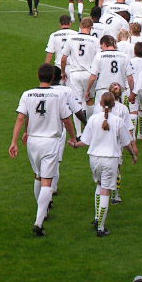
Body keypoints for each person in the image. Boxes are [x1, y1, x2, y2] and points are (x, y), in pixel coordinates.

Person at [8, 63, 75, 236]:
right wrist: (73, 137)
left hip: (32, 142)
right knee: (47, 180)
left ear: (38, 76)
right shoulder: (58, 95)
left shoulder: (27, 94)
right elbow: (67, 119)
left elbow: (21, 118)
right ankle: (39, 221)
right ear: (53, 78)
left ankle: (42, 210)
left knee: (37, 176)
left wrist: (15, 141)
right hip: (50, 141)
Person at [71, 92, 137, 236]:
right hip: (110, 159)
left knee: (99, 186)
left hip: (94, 158)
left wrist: (75, 145)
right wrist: (132, 155)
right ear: (114, 104)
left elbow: (85, 141)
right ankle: (100, 227)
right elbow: (126, 142)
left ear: (100, 103)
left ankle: (96, 218)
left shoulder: (93, 119)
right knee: (106, 190)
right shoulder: (118, 121)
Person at [92, 83, 136, 204]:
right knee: (116, 169)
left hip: (99, 143)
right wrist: (133, 147)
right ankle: (115, 195)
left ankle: (100, 206)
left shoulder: (97, 107)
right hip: (117, 144)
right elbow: (128, 129)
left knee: (100, 180)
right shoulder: (123, 108)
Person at [51, 67, 87, 198]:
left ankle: (45, 190)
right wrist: (87, 124)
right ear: (60, 78)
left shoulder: (37, 91)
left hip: (39, 132)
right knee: (56, 161)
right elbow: (77, 111)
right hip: (58, 131)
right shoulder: (66, 90)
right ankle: (52, 188)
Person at [61, 17, 101, 130]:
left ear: (80, 25)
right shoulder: (95, 40)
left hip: (75, 73)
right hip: (89, 73)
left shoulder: (71, 38)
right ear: (91, 28)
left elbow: (63, 58)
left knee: (76, 103)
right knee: (89, 100)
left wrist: (63, 72)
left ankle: (78, 134)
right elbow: (98, 59)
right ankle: (89, 127)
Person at [86, 35, 135, 107]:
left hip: (102, 90)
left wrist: (88, 90)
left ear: (104, 44)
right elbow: (130, 78)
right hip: (117, 92)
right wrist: (131, 92)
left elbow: (93, 77)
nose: (101, 49)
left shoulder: (99, 56)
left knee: (100, 114)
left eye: (101, 46)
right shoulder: (125, 57)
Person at [129, 42, 142, 140]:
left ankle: (132, 136)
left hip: (132, 88)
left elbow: (129, 76)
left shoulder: (130, 61)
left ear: (134, 51)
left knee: (133, 111)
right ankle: (140, 132)